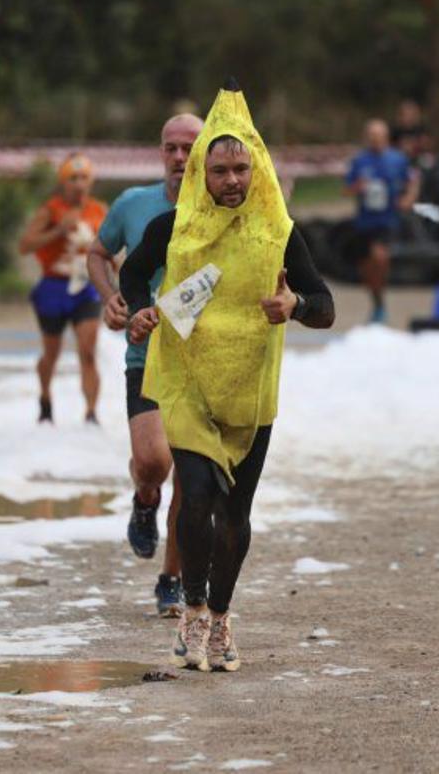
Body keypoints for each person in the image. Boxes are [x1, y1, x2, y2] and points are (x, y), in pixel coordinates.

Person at [121, 81, 335, 673]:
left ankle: (220, 616)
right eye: (220, 170)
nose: (233, 180)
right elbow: (135, 275)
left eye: (241, 167)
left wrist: (294, 307)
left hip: (250, 389)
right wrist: (138, 309)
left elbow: (325, 304)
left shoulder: (280, 234)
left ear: (257, 167)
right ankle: (190, 611)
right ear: (202, 174)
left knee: (235, 516)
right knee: (196, 502)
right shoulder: (177, 227)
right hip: (187, 381)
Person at [86, 113, 203, 617]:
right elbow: (97, 252)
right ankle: (143, 495)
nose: (179, 158)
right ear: (160, 153)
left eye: (189, 148)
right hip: (146, 355)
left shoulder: (222, 210)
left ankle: (170, 578)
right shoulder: (134, 205)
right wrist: (111, 298)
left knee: (192, 480)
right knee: (156, 463)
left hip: (203, 361)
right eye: (170, 148)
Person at [17, 154, 107, 424]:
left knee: (88, 351)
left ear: (91, 181)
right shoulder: (50, 210)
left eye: (83, 178)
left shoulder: (99, 211)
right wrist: (58, 230)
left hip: (86, 288)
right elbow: (25, 246)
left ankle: (91, 414)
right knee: (51, 353)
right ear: (63, 182)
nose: (78, 184)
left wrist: (119, 275)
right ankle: (45, 398)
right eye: (72, 178)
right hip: (54, 287)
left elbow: (110, 247)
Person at [345, 119, 418, 324]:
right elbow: (346, 188)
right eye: (371, 136)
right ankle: (377, 301)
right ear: (367, 138)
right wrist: (357, 187)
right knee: (367, 268)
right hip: (364, 222)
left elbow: (412, 181)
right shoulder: (359, 161)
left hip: (387, 221)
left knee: (380, 257)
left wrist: (408, 198)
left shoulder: (398, 160)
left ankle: (380, 304)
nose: (375, 140)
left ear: (386, 138)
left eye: (379, 136)